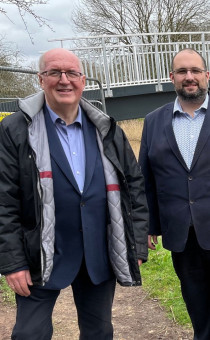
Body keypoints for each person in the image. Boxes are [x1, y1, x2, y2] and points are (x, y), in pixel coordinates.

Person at [0, 48, 149, 340]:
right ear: (41, 80)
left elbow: (134, 187)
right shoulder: (16, 129)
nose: (64, 80)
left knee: (99, 331)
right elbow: (4, 200)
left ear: (83, 80)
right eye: (55, 72)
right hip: (39, 255)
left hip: (98, 253)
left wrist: (136, 244)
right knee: (29, 334)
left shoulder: (106, 128)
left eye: (72, 73)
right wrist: (12, 262)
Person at [139, 47, 210, 340]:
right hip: (183, 233)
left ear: (207, 75)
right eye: (182, 71)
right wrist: (147, 226)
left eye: (195, 71)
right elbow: (147, 178)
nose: (189, 77)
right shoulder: (154, 121)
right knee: (197, 305)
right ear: (172, 77)